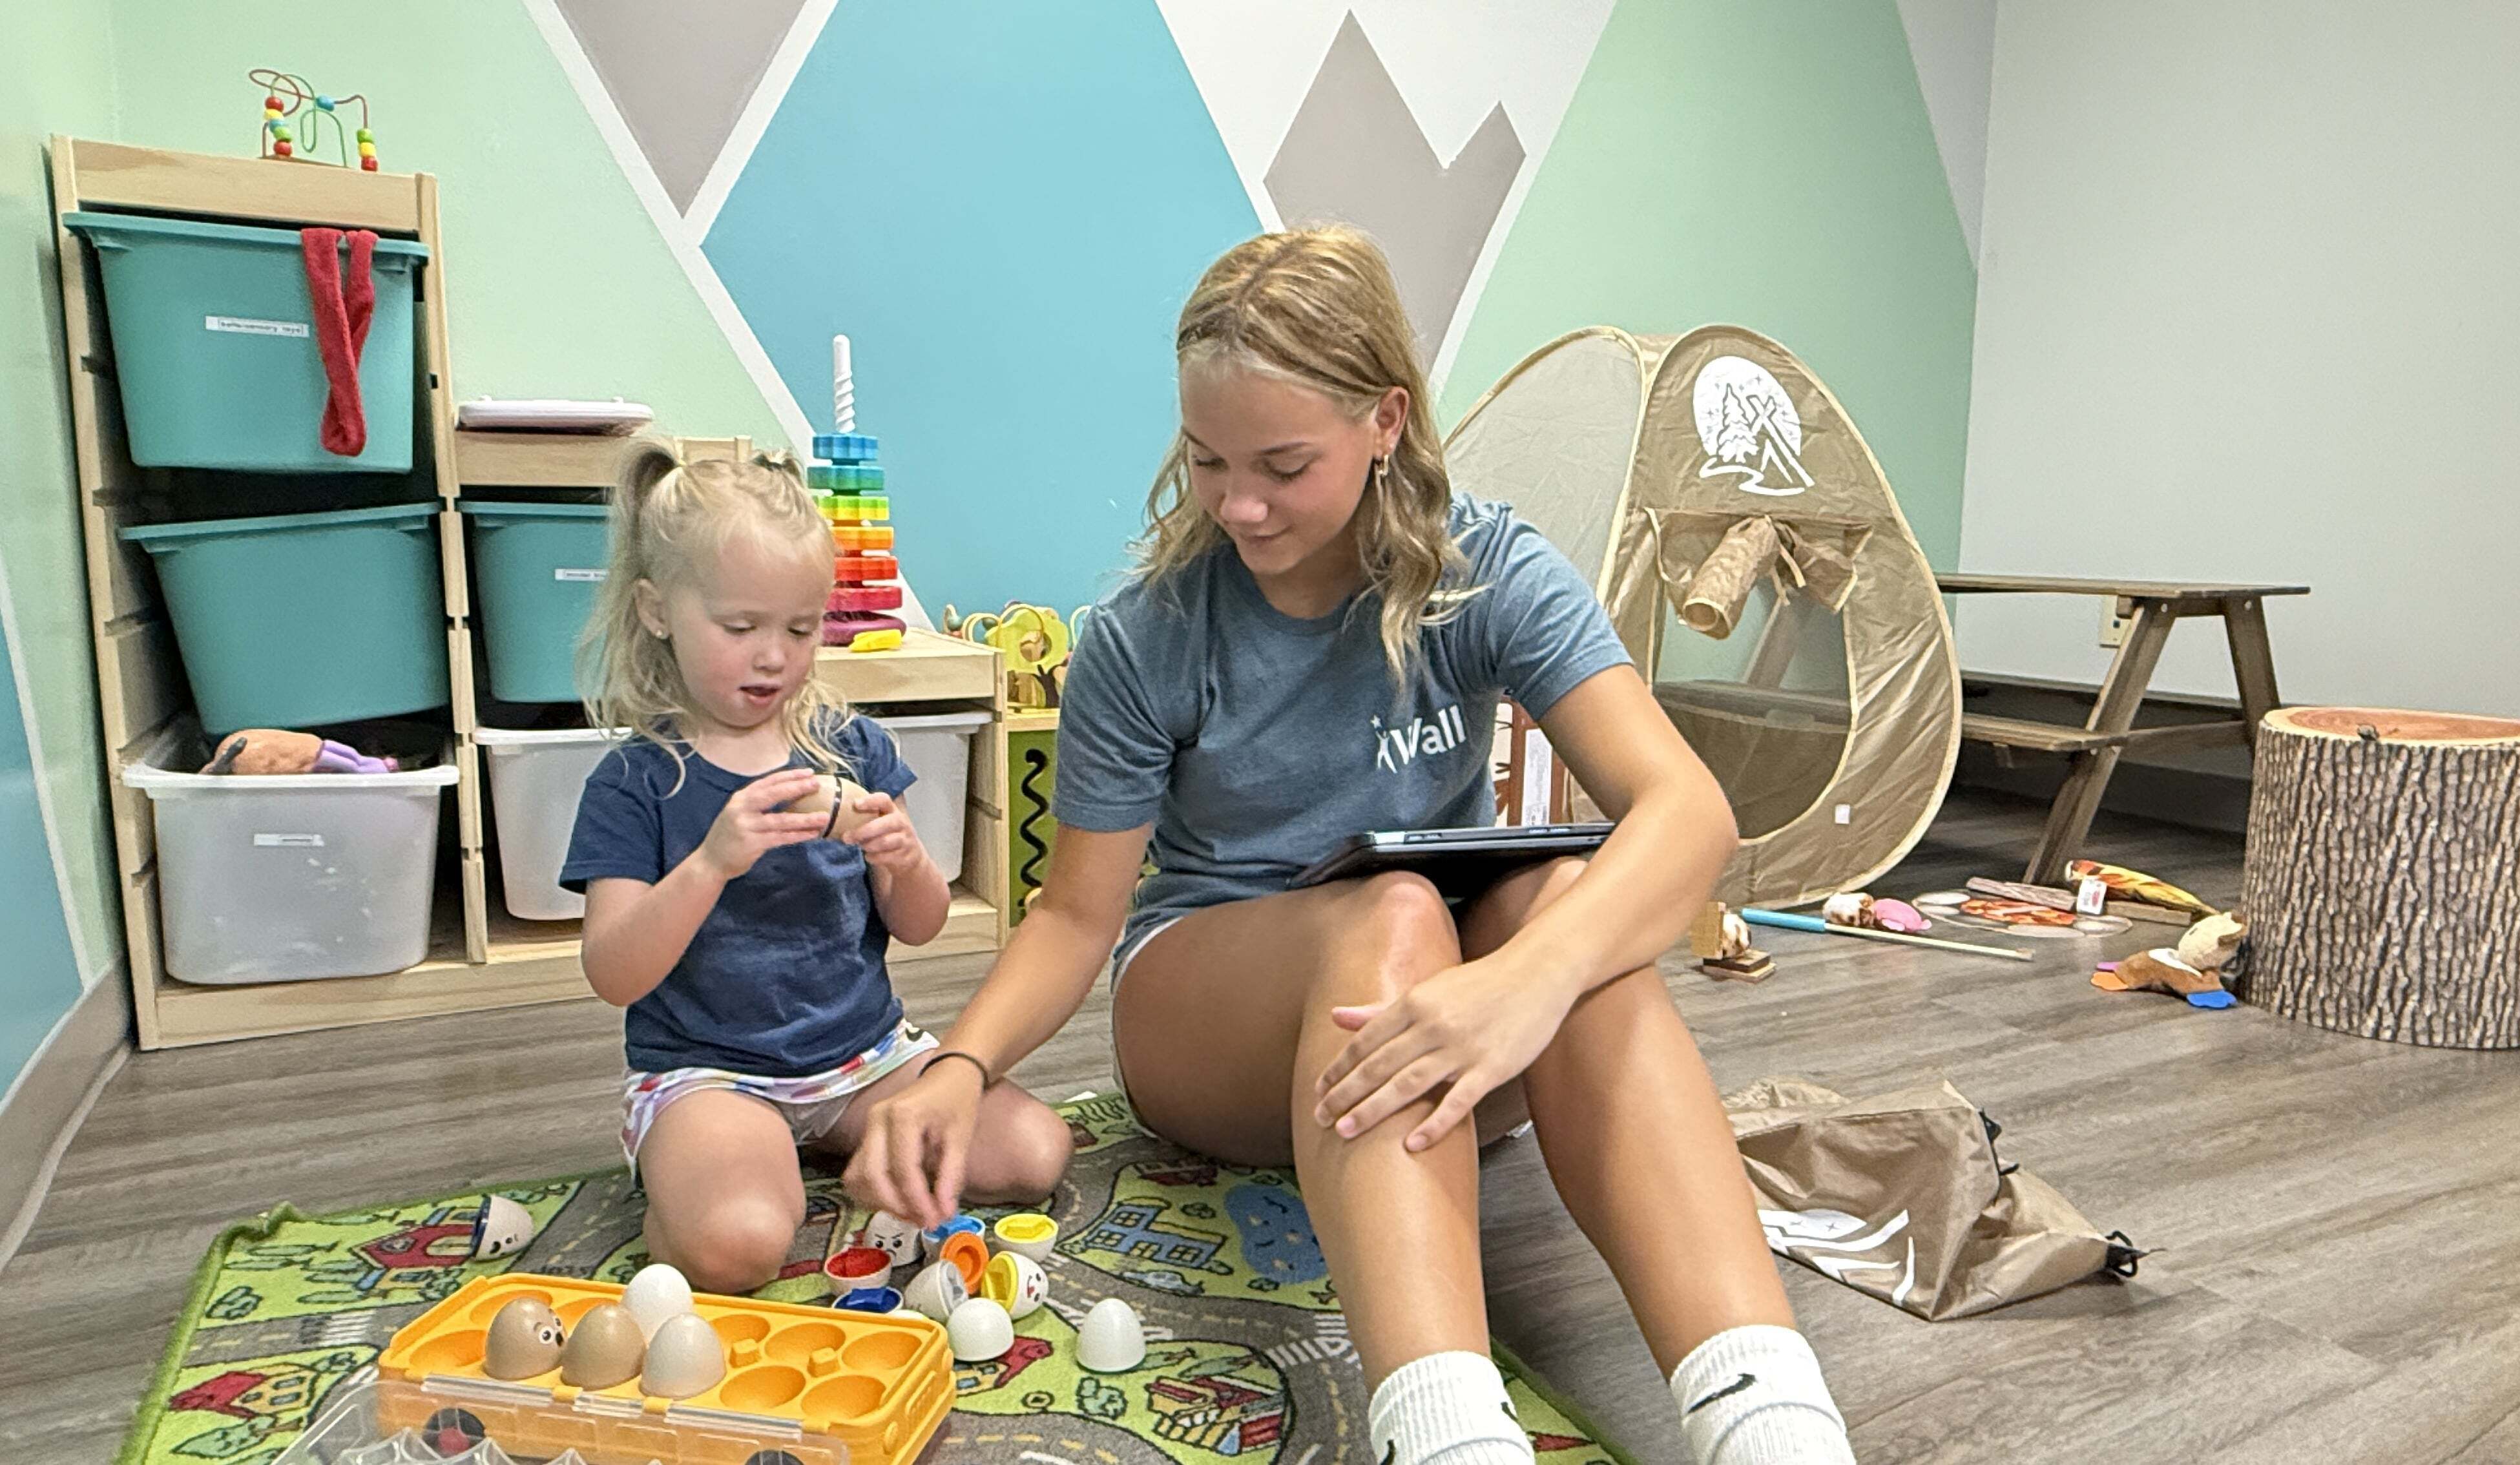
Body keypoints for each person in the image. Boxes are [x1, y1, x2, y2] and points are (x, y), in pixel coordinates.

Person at [855, 228, 1855, 1465]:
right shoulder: (1146, 632)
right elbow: (1073, 917)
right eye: (1209, 460)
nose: (1240, 504)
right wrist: (959, 1065)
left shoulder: (1486, 568)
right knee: (1397, 914)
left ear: (1386, 421)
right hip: (1212, 1016)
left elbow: (1688, 812)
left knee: (1552, 904)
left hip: (1448, 1020)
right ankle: (1442, 1437)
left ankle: (1767, 1414)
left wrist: (1526, 981)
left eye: (1283, 464)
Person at [559, 443, 1072, 1293]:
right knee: (742, 1245)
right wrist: (711, 864)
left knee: (1034, 1152)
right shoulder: (636, 781)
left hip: (866, 1060)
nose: (774, 656)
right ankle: (682, 1182)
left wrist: (905, 863)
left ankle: (832, 1142)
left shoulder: (855, 749)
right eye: (739, 628)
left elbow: (920, 924)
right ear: (656, 611)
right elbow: (614, 972)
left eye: (800, 630)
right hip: (712, 1075)